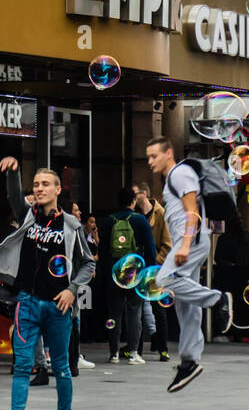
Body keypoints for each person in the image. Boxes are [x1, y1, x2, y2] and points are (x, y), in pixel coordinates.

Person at [0, 157, 94, 410]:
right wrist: (13, 172)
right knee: (23, 365)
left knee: (61, 367)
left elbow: (88, 264)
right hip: (28, 302)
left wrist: (72, 289)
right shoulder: (28, 215)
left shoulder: (71, 225)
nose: (40, 188)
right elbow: (12, 196)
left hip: (58, 306)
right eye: (35, 184)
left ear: (59, 189)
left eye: (46, 184)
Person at [146, 137, 233, 392]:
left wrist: (184, 245)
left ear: (168, 153)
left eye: (154, 156)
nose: (150, 161)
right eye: (148, 157)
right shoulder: (174, 176)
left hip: (190, 241)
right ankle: (190, 361)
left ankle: (218, 300)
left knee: (164, 280)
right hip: (190, 241)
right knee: (186, 304)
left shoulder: (179, 173)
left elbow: (191, 210)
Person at [100, 187, 157, 365]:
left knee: (114, 314)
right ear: (133, 201)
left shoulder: (108, 222)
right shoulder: (140, 220)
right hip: (136, 273)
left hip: (114, 273)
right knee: (135, 313)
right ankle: (133, 353)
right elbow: (150, 249)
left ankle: (114, 354)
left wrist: (106, 273)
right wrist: (149, 272)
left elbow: (102, 251)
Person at [133, 183, 173, 361]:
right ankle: (137, 349)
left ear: (143, 194)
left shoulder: (161, 214)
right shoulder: (134, 216)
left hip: (156, 268)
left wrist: (155, 264)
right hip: (139, 268)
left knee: (158, 308)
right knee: (137, 308)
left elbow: (168, 244)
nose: (133, 198)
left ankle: (163, 349)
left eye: (135, 194)